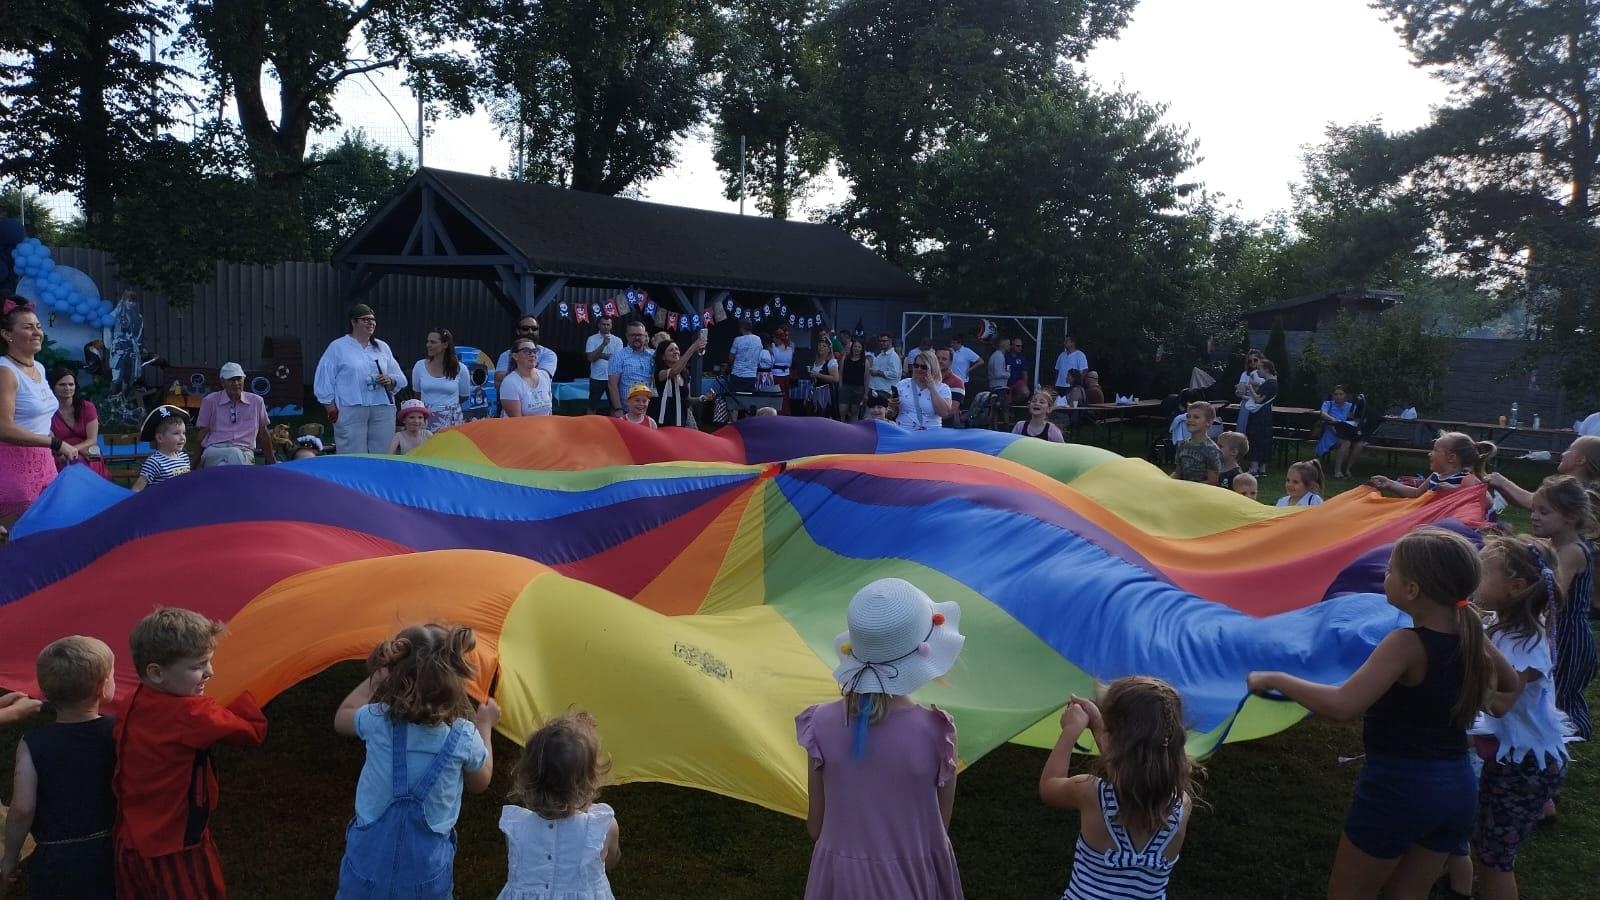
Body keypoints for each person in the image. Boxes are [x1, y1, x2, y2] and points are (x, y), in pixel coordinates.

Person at [1247, 528, 1515, 900]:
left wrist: (1275, 679)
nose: (1384, 576)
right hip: (1457, 787)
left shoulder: (1405, 644)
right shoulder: (1469, 636)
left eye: (1390, 571)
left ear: (1412, 589)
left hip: (1400, 789)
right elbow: (1510, 686)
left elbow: (1343, 706)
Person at [796, 578, 965, 899]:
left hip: (840, 886)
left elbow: (817, 826)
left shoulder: (818, 723)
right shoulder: (939, 732)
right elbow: (936, 828)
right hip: (914, 884)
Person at [334, 624, 498, 898]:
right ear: (455, 682)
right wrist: (485, 726)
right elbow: (480, 781)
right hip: (425, 881)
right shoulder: (463, 738)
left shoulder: (377, 720)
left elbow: (343, 717)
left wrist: (378, 677)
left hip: (365, 873)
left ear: (394, 675)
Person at [114, 607, 268, 899]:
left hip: (128, 841)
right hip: (176, 847)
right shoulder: (195, 713)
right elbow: (251, 732)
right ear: (156, 672)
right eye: (198, 666)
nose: (210, 672)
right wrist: (245, 692)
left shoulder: (131, 701)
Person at [1459, 536, 1569, 900]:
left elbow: (1500, 703)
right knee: (1484, 839)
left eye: (1481, 572)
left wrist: (1471, 647)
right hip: (1509, 754)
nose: (1472, 579)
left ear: (1516, 587)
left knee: (1496, 859)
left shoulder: (1524, 640)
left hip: (1526, 766)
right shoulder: (1504, 627)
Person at [1039, 678, 1197, 900]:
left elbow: (1049, 785)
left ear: (1114, 739)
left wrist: (1071, 730)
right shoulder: (1182, 805)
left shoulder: (1092, 793)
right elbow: (1133, 775)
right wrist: (1098, 724)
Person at [1, 636, 118, 897]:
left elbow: (22, 808)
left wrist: (10, 858)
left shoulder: (33, 742)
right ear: (102, 688)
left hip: (56, 859)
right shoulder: (120, 732)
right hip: (112, 851)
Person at [498, 711, 620, 899]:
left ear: (529, 775)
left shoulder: (515, 829)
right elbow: (610, 859)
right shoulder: (601, 828)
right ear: (590, 780)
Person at [1529, 475, 1596, 742]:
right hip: (1558, 629)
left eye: (1543, 512)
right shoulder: (1553, 546)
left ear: (1570, 517)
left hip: (1567, 633)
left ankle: (1570, 733)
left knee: (1561, 690)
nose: (1534, 516)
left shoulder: (1570, 552)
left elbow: (1554, 596)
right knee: (1550, 686)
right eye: (1533, 509)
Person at [0, 299, 70, 526]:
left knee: (47, 533)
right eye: (28, 327)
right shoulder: (5, 372)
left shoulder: (38, 367)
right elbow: (4, 428)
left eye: (38, 326)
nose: (37, 332)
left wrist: (51, 442)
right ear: (7, 334)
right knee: (19, 537)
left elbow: (38, 419)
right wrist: (56, 443)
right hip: (13, 466)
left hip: (45, 463)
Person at [315, 304, 407, 455]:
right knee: (352, 451)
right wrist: (330, 408)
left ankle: (378, 472)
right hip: (351, 407)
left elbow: (400, 377)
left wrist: (390, 380)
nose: (371, 323)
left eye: (373, 320)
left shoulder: (382, 347)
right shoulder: (338, 347)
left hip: (382, 407)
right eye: (365, 320)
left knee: (383, 450)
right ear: (353, 322)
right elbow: (324, 378)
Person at [1485, 435, 1600, 509]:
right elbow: (1527, 504)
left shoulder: (1568, 487)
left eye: (1569, 449)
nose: (1563, 454)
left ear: (1580, 460)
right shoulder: (1589, 489)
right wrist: (1500, 486)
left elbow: (1532, 502)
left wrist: (1502, 482)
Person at [1369, 432, 1496, 498]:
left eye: (1435, 450)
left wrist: (1455, 491)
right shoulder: (1435, 476)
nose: (1430, 454)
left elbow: (1485, 502)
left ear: (1451, 458)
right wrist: (1390, 484)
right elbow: (1416, 494)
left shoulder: (1467, 479)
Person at [196, 362, 275, 468]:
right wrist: (193, 464)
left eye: (239, 379)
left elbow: (263, 434)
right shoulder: (210, 401)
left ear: (244, 380)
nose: (236, 383)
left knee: (225, 465)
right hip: (214, 450)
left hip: (244, 452)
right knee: (234, 453)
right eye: (231, 380)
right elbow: (202, 434)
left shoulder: (256, 402)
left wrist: (272, 462)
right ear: (223, 382)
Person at [48, 366, 109, 478]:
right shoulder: (48, 411)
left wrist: (73, 450)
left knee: (86, 459)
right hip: (61, 452)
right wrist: (65, 451)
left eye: (71, 384)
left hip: (88, 448)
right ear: (53, 387)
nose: (67, 388)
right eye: (62, 384)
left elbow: (92, 440)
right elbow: (52, 442)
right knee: (71, 462)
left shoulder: (87, 407)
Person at [410, 328, 471, 431]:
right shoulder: (419, 366)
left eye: (433, 342)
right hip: (426, 418)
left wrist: (444, 408)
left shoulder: (460, 369)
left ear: (445, 344)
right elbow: (417, 394)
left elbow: (464, 396)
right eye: (428, 341)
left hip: (451, 420)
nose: (428, 345)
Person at [652, 336, 711, 428]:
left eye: (677, 349)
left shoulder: (684, 374)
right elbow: (674, 371)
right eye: (671, 350)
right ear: (663, 357)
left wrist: (703, 398)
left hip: (681, 422)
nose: (676, 352)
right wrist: (692, 348)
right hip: (664, 423)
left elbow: (687, 401)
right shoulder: (660, 373)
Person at [131, 405, 191, 492]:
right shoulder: (154, 462)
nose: (182, 437)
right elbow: (137, 489)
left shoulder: (184, 457)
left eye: (184, 433)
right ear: (160, 438)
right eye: (176, 433)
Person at [895, 352, 953, 431]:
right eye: (916, 366)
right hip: (903, 432)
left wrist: (932, 388)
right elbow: (891, 412)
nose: (919, 369)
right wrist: (892, 406)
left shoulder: (943, 388)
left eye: (923, 367)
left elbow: (944, 413)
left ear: (932, 368)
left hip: (929, 434)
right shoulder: (902, 384)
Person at [608, 321, 655, 416]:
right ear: (627, 336)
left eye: (640, 335)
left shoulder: (653, 355)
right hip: (627, 411)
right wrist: (618, 409)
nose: (636, 338)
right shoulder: (618, 356)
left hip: (649, 409)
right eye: (633, 335)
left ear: (645, 336)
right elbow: (612, 385)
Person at [1171, 401, 1222, 485]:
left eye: (1196, 417)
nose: (1190, 420)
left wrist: (1188, 487)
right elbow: (1177, 472)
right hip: (1183, 489)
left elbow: (1213, 481)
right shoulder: (1183, 445)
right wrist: (1167, 481)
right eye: (1188, 416)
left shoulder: (1211, 450)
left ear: (1208, 422)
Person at [1242, 359, 1278, 477]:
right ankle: (1262, 468)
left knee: (1255, 438)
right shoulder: (1273, 382)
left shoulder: (1269, 383)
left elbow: (1258, 399)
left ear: (1266, 369)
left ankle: (1254, 468)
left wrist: (1250, 388)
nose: (1257, 371)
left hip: (1260, 415)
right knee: (1264, 439)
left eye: (1259, 368)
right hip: (1266, 413)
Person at [501, 338, 554, 418]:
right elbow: (516, 421)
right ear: (515, 356)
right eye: (526, 351)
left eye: (534, 351)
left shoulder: (544, 375)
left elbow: (549, 413)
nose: (532, 354)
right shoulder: (509, 383)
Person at [495, 316, 557, 383]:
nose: (530, 331)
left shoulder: (548, 354)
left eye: (534, 329)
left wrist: (513, 376)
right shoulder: (506, 354)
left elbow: (542, 377)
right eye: (525, 328)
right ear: (518, 331)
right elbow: (499, 378)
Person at [584, 316, 623, 415]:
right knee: (592, 405)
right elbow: (590, 358)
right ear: (599, 325)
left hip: (613, 377)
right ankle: (590, 423)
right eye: (603, 324)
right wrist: (603, 344)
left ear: (611, 326)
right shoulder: (592, 339)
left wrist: (598, 354)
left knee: (615, 406)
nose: (605, 326)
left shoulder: (618, 340)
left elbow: (617, 359)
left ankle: (614, 424)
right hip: (597, 377)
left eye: (608, 324)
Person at [1317, 386, 1358, 478]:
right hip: (1330, 432)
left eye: (1341, 394)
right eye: (1336, 394)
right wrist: (1333, 419)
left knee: (1355, 443)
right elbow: (1323, 413)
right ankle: (1337, 471)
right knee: (1346, 443)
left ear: (1345, 395)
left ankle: (1346, 469)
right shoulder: (1328, 404)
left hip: (1345, 432)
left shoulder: (1351, 407)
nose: (1338, 396)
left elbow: (1356, 419)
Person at [1233, 349, 1265, 435]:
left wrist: (1254, 385)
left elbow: (1266, 389)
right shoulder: (1245, 374)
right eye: (1250, 361)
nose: (1253, 363)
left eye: (1255, 360)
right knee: (1242, 429)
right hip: (1246, 403)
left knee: (1257, 431)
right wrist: (1239, 391)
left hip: (1260, 404)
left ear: (1261, 359)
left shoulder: (1265, 373)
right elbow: (1240, 391)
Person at [726, 320, 763, 395]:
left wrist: (731, 367)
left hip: (737, 374)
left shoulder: (737, 340)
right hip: (751, 375)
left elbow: (731, 358)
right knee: (748, 399)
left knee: (735, 398)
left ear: (741, 328)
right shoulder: (758, 339)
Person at [806, 341, 841, 418]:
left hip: (826, 393)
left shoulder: (831, 362)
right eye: (820, 345)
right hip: (814, 391)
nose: (821, 347)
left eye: (824, 346)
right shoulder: (816, 361)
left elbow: (835, 379)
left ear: (829, 349)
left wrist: (819, 375)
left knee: (823, 415)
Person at [838, 340, 868, 422]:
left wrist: (866, 393)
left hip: (858, 389)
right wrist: (840, 386)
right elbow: (840, 374)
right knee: (842, 410)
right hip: (845, 387)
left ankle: (853, 428)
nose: (857, 348)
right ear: (852, 348)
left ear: (862, 349)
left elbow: (866, 378)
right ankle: (841, 426)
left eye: (859, 347)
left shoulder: (865, 361)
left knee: (854, 411)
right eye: (855, 346)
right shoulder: (845, 358)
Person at [947, 334, 981, 401]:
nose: (951, 345)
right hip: (950, 381)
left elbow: (980, 361)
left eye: (953, 343)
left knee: (962, 401)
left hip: (963, 381)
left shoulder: (966, 351)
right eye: (951, 343)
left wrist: (969, 369)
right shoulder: (950, 351)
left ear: (959, 343)